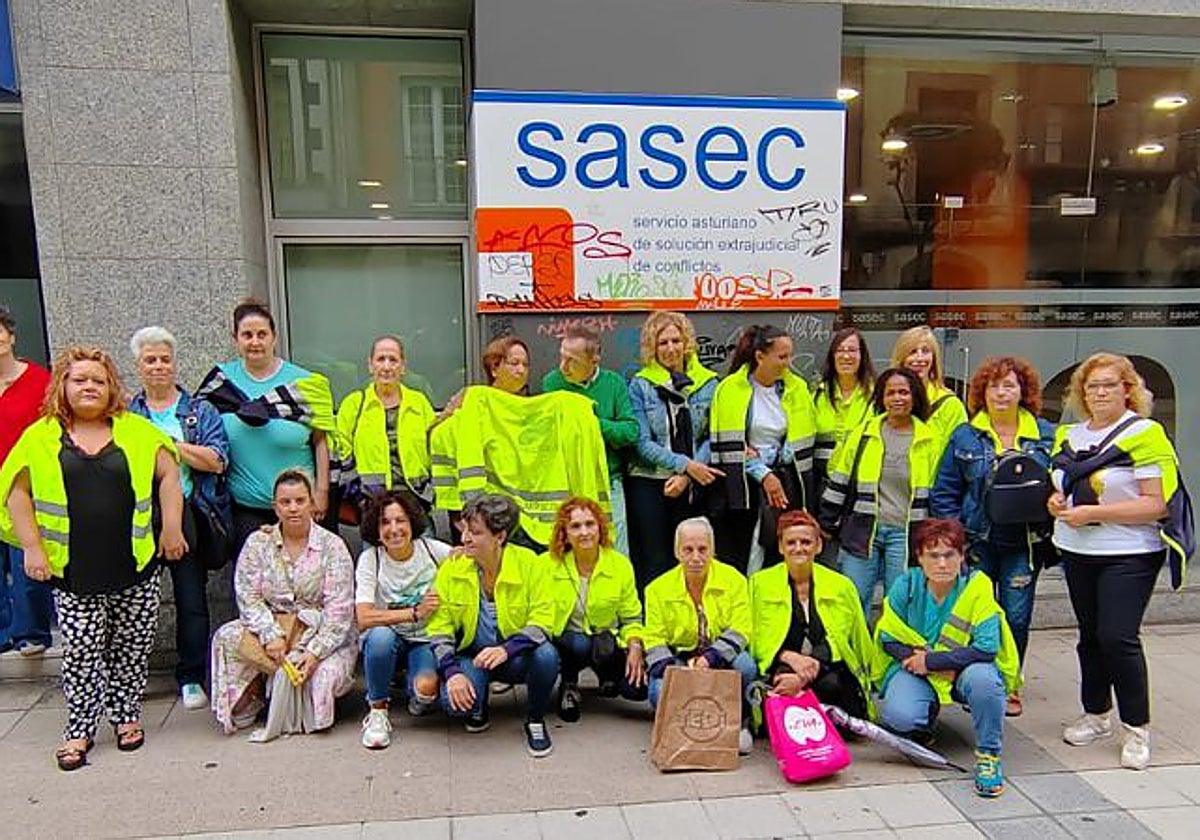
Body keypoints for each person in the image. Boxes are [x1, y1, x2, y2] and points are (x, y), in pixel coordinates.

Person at [0, 345, 186, 771]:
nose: (89, 387)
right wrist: (32, 547)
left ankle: (125, 716)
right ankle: (80, 728)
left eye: (98, 380)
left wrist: (172, 527)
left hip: (134, 565)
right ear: (62, 385)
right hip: (73, 571)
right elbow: (16, 493)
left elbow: (169, 473)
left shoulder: (137, 431)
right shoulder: (40, 437)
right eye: (80, 379)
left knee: (132, 647)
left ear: (112, 387)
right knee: (82, 652)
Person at [1049, 352, 1188, 771]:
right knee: (1089, 637)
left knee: (1117, 637)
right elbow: (1061, 484)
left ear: (1128, 389)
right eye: (1092, 385)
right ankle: (1096, 715)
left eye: (1109, 384)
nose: (1100, 392)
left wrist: (1095, 513)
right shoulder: (1069, 435)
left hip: (1129, 552)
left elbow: (1156, 504)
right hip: (1077, 549)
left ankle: (1136, 728)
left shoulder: (1145, 434)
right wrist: (1055, 501)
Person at [931, 356, 1055, 717]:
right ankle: (977, 680)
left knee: (1016, 617)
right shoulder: (965, 435)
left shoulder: (1045, 434)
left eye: (1009, 385)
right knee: (977, 614)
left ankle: (1009, 683)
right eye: (994, 386)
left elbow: (1060, 484)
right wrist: (954, 538)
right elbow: (945, 490)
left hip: (1024, 544)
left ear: (1023, 391)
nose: (1001, 393)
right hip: (977, 542)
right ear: (982, 392)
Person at [872, 518, 1022, 799]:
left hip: (963, 669)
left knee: (985, 683)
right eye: (933, 555)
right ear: (919, 558)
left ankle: (989, 755)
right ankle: (925, 721)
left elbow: (987, 648)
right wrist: (919, 663)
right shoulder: (907, 584)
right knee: (898, 716)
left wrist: (933, 663)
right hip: (916, 667)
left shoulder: (977, 586)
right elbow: (887, 637)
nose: (942, 563)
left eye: (949, 555)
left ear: (962, 555)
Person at [128, 326, 231, 712]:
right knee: (133, 602)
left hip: (189, 514)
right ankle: (130, 678)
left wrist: (168, 446)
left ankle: (190, 677)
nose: (158, 366)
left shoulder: (200, 412)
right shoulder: (126, 415)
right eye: (150, 360)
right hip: (139, 518)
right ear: (138, 366)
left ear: (175, 364)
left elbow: (217, 460)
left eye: (164, 359)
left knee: (191, 599)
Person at [210, 470, 357, 736]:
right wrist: (270, 635)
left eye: (300, 501)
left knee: (317, 695)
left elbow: (340, 610)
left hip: (318, 632)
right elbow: (248, 596)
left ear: (312, 503)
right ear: (275, 507)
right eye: (285, 502)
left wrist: (314, 652)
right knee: (226, 636)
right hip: (275, 628)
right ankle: (255, 692)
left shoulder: (333, 546)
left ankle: (299, 688)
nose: (293, 508)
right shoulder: (258, 543)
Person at [196, 300, 336, 554]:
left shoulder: (306, 383)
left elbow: (321, 440)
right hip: (245, 510)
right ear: (235, 339)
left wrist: (322, 491)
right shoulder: (219, 383)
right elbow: (198, 429)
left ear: (274, 337)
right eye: (247, 335)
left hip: (301, 507)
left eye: (262, 334)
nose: (255, 342)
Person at [427, 494, 561, 757]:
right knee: (455, 706)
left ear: (500, 536)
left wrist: (506, 649)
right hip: (472, 657)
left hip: (514, 656)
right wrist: (452, 672)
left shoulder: (529, 563)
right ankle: (479, 705)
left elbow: (544, 619)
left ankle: (535, 719)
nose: (465, 538)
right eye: (464, 530)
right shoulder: (452, 568)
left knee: (547, 655)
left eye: (475, 532)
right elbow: (438, 628)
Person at [819, 368, 939, 616]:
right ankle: (858, 644)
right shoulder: (864, 433)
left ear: (915, 396)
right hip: (863, 531)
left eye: (904, 392)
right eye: (890, 393)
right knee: (852, 600)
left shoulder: (930, 439)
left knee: (899, 604)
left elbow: (937, 492)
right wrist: (827, 520)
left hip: (905, 535)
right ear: (881, 398)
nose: (897, 398)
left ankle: (890, 643)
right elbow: (841, 477)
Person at [643, 516, 757, 754]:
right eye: (688, 550)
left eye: (703, 549)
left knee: (746, 666)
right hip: (679, 659)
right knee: (658, 691)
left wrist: (709, 659)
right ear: (677, 552)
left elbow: (742, 628)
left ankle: (742, 721)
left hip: (720, 655)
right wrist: (681, 670)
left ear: (713, 550)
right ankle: (685, 731)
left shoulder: (734, 580)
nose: (696, 557)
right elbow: (653, 639)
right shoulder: (656, 589)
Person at [709, 325, 817, 575]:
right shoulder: (730, 389)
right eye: (782, 357)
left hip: (786, 483)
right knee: (743, 554)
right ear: (760, 356)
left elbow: (802, 435)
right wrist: (762, 473)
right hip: (743, 488)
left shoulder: (797, 388)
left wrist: (772, 461)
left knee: (776, 553)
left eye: (790, 356)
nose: (788, 363)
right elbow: (727, 445)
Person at [626, 312, 722, 589]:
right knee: (655, 558)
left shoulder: (709, 383)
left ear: (687, 343)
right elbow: (642, 442)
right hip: (650, 480)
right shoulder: (641, 385)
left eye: (676, 341)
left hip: (694, 482)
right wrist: (684, 465)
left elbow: (714, 435)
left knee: (692, 557)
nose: (671, 349)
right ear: (652, 348)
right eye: (663, 343)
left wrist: (689, 474)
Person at [749, 510, 871, 718]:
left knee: (830, 685)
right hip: (779, 666)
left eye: (806, 542)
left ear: (818, 546)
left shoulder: (841, 586)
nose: (798, 548)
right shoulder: (759, 584)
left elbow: (841, 639)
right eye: (791, 543)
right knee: (781, 687)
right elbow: (756, 637)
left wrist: (805, 672)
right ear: (780, 547)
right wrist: (788, 657)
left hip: (828, 666)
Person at [356, 489, 452, 750]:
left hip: (425, 638)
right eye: (385, 522)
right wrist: (414, 612)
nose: (394, 529)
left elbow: (467, 559)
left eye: (400, 520)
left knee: (426, 690)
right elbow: (363, 617)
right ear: (376, 530)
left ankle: (415, 692)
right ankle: (377, 709)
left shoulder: (432, 550)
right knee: (380, 638)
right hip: (389, 636)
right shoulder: (371, 559)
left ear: (412, 523)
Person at [543, 497, 647, 722]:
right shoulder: (546, 565)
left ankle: (606, 674)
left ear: (600, 527)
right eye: (575, 526)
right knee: (579, 644)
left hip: (606, 643)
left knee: (637, 691)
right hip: (565, 642)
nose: (584, 532)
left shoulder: (620, 565)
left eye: (590, 524)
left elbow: (631, 618)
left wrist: (635, 646)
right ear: (564, 533)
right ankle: (568, 684)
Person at [542, 324, 639, 556]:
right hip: (567, 483)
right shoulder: (552, 383)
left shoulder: (614, 383)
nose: (563, 366)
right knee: (565, 550)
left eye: (572, 360)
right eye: (562, 357)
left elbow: (631, 431)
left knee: (616, 550)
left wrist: (591, 423)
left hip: (608, 481)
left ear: (594, 360)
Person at [0, 305, 53, 657]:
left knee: (26, 558)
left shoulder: (39, 381)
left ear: (11, 336)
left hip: (26, 484)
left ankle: (30, 632)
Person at [336, 335, 437, 515]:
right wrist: (358, 498)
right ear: (370, 365)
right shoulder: (354, 404)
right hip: (372, 504)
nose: (387, 366)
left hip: (416, 502)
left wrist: (430, 493)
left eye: (393, 360)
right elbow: (342, 453)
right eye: (381, 359)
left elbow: (435, 449)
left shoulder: (419, 403)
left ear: (403, 366)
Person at [813, 327, 876, 486]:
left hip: (861, 485)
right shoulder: (817, 395)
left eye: (852, 350)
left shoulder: (877, 396)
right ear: (832, 356)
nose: (846, 356)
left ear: (862, 356)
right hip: (821, 485)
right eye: (840, 350)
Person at [890, 326, 966, 455]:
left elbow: (961, 452)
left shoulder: (950, 405)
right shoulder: (886, 400)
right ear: (901, 358)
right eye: (913, 352)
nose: (919, 358)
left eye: (925, 351)